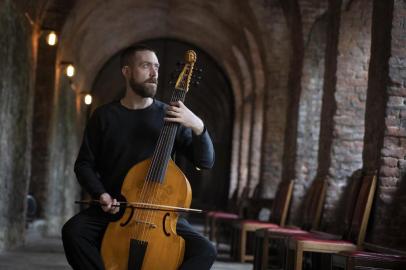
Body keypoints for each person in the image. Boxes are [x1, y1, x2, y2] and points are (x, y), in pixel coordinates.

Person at [62, 44, 217, 270]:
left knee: (205, 250)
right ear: (126, 71)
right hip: (115, 208)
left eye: (156, 67)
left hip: (160, 213)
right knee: (73, 232)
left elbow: (205, 162)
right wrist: (101, 193)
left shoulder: (172, 116)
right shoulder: (104, 116)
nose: (154, 73)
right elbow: (84, 164)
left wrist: (197, 126)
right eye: (146, 66)